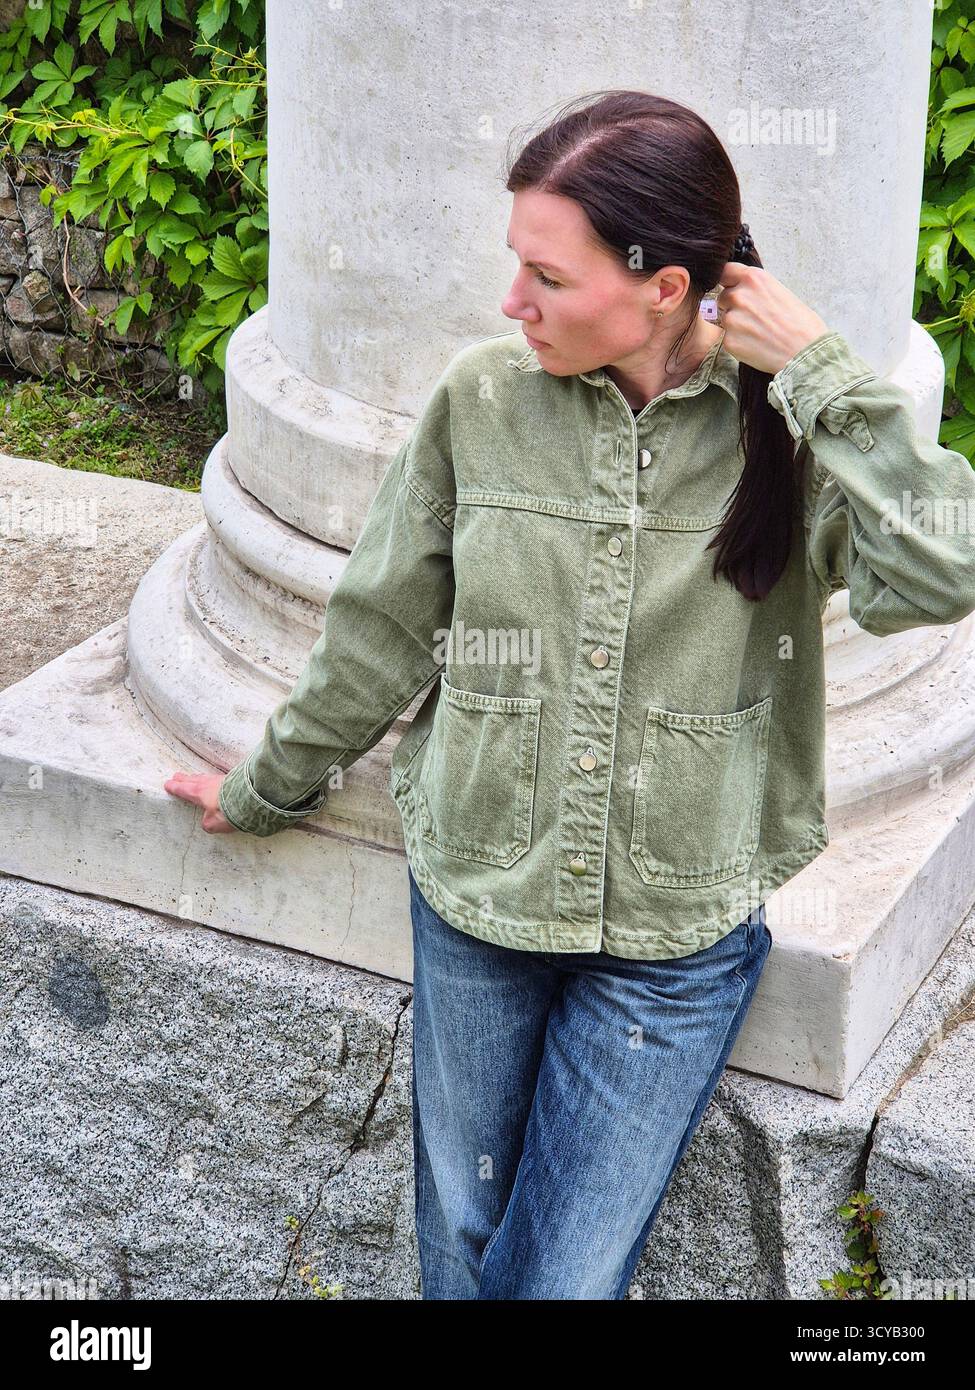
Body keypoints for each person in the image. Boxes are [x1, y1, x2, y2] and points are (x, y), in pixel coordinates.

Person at [164, 90, 975, 1299]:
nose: (513, 303)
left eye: (546, 275)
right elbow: (382, 629)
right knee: (462, 1243)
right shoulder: (481, 401)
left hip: (673, 935)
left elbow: (942, 566)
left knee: (560, 1282)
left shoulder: (796, 436)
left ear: (662, 286)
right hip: (481, 893)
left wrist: (820, 372)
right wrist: (268, 784)